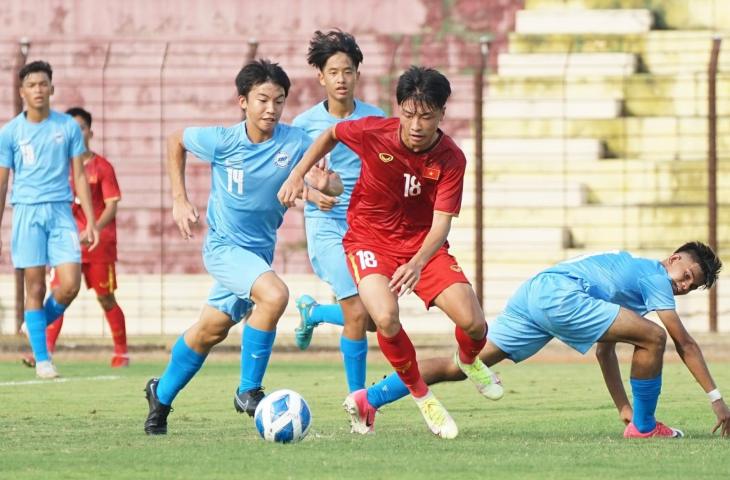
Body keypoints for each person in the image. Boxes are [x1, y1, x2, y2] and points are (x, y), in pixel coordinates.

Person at [279, 66, 503, 439]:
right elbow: (332, 133)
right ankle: (422, 395)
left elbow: (441, 223)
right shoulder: (374, 131)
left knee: (474, 324)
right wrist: (296, 175)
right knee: (384, 316)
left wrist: (417, 263)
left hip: (422, 245)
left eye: (426, 116)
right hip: (369, 239)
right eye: (409, 114)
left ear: (441, 114)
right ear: (399, 108)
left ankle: (468, 360)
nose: (416, 124)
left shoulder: (451, 159)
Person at [143, 59, 342, 435]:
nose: (271, 109)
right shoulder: (222, 140)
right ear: (243, 102)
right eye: (263, 99)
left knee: (210, 331)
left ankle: (160, 395)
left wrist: (324, 186)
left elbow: (328, 186)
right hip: (222, 247)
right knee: (275, 294)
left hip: (257, 254)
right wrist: (179, 199)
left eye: (279, 101)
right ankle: (248, 390)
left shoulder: (297, 142)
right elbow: (176, 140)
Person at [350, 243, 730, 438]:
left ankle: (370, 399)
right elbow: (686, 344)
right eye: (686, 274)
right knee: (655, 337)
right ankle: (647, 428)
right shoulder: (654, 276)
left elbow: (605, 350)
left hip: (537, 292)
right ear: (673, 258)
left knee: (462, 366)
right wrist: (718, 402)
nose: (682, 286)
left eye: (690, 287)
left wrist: (623, 409)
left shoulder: (635, 281)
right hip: (561, 295)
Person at [291, 30, 385, 399]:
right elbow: (290, 181)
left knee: (378, 319)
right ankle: (358, 401)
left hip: (367, 228)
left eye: (348, 71)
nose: (341, 79)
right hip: (326, 225)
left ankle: (313, 313)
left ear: (357, 74)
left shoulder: (376, 119)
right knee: (359, 313)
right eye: (333, 72)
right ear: (321, 77)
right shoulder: (303, 125)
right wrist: (314, 194)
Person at [0, 60, 99, 379]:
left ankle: (36, 321)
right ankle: (43, 360)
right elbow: (3, 181)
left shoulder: (67, 127)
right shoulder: (10, 132)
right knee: (35, 283)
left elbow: (80, 176)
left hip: (60, 212)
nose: (38, 90)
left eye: (43, 84)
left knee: (70, 284)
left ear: (52, 89)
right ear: (22, 92)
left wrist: (92, 221)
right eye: (32, 85)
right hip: (27, 212)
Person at [21, 107, 128, 368]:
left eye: (81, 127)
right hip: (66, 243)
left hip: (98, 245)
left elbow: (112, 205)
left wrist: (93, 229)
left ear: (90, 131)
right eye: (72, 128)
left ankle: (121, 352)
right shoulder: (60, 167)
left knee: (106, 298)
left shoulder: (102, 167)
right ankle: (43, 352)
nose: (77, 133)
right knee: (59, 293)